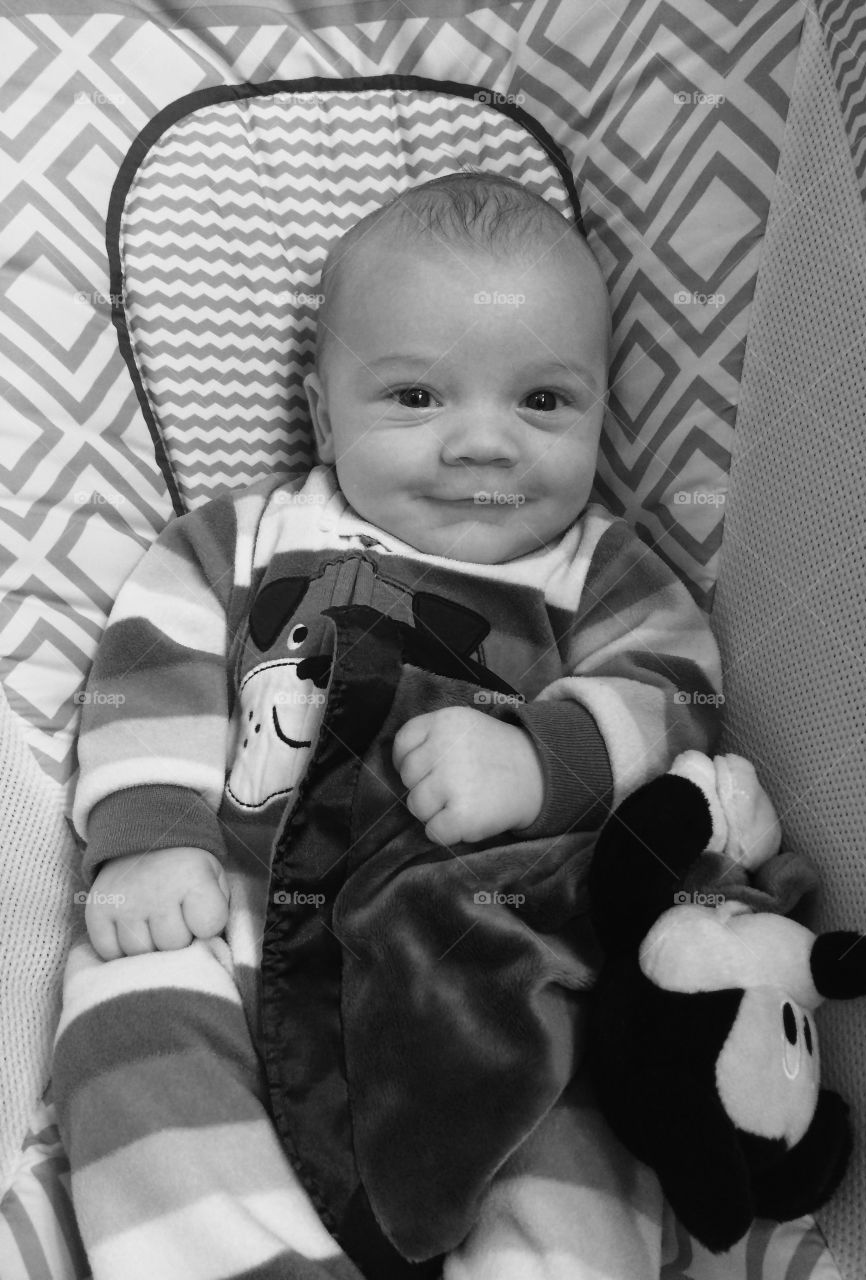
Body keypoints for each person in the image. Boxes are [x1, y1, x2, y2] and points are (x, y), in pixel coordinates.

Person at [55, 171, 723, 1280]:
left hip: (496, 965)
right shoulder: (242, 540)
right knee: (126, 1006)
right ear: (324, 413)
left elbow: (680, 690)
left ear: (604, 412)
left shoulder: (598, 570)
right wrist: (152, 833)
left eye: (543, 402)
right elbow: (152, 660)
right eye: (416, 396)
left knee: (594, 1089)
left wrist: (543, 760)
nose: (483, 444)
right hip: (239, 926)